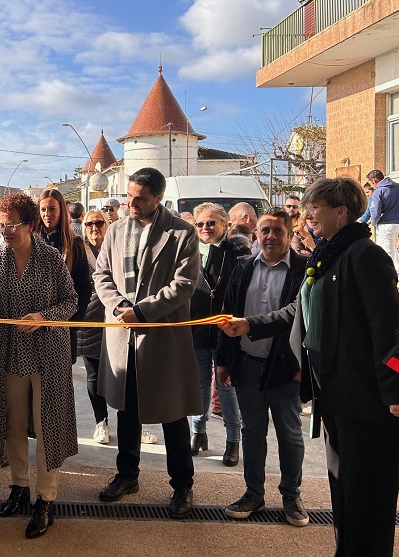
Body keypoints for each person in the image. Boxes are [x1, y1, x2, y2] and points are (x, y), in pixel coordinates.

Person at [220, 177, 399, 556]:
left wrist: (395, 395)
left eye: (315, 207)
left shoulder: (365, 254)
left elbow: (386, 328)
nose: (307, 214)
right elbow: (299, 311)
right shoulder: (330, 255)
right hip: (337, 394)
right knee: (345, 490)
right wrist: (249, 324)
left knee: (368, 495)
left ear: (341, 211)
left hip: (368, 400)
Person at [0, 193, 78, 540]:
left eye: (12, 224)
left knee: (46, 424)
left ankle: (46, 499)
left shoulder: (51, 258)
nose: (5, 230)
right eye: (0, 223)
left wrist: (43, 317)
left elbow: (71, 301)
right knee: (13, 423)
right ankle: (19, 486)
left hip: (48, 353)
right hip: (8, 350)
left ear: (30, 224)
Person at [93, 168, 201, 519]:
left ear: (158, 197)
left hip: (161, 336)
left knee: (172, 414)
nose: (131, 203)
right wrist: (120, 306)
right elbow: (101, 275)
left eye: (140, 198)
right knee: (126, 410)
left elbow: (184, 284)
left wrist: (143, 310)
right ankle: (127, 475)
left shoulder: (182, 233)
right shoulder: (116, 230)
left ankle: (182, 486)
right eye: (129, 196)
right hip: (123, 334)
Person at [216, 208, 309, 527]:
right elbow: (227, 314)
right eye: (265, 230)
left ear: (289, 233)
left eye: (277, 231)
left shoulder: (304, 270)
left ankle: (291, 495)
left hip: (284, 368)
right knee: (252, 432)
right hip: (246, 366)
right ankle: (253, 493)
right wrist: (223, 360)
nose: (270, 236)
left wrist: (302, 366)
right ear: (256, 233)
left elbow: (302, 320)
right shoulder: (242, 268)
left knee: (290, 433)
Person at [188, 202, 247, 467]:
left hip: (226, 329)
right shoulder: (189, 251)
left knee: (226, 388)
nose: (205, 228)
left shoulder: (237, 251)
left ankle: (233, 440)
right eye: (200, 223)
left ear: (225, 225)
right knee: (198, 386)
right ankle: (198, 433)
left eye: (211, 223)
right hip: (196, 327)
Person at [37, 188, 91, 360]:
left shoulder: (74, 244)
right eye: (43, 209)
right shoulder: (29, 240)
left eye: (52, 209)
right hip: (32, 327)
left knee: (57, 385)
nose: (47, 214)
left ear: (61, 210)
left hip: (62, 329)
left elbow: (83, 289)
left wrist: (70, 323)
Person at [77, 209, 111, 444]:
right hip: (89, 318)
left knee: (123, 375)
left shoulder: (114, 246)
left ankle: (134, 424)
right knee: (94, 374)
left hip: (115, 317)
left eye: (99, 222)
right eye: (89, 223)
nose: (94, 227)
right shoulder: (80, 250)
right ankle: (101, 421)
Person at [366, 169, 399, 279]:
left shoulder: (379, 192)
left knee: (387, 252)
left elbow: (375, 211)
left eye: (371, 184)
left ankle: (391, 276)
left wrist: (374, 223)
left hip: (386, 225)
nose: (372, 186)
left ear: (375, 181)